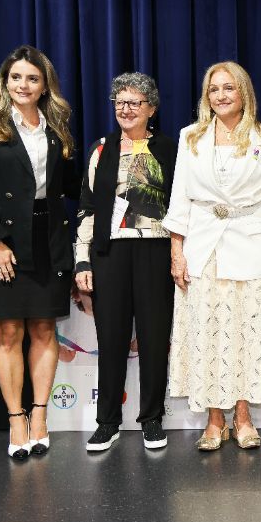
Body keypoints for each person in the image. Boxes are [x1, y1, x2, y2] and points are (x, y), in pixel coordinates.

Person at [164, 61, 261, 451]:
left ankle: (242, 417)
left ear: (244, 93)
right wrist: (176, 251)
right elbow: (179, 198)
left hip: (252, 245)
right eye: (214, 89)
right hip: (202, 247)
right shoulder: (190, 137)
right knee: (206, 334)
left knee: (245, 335)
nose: (220, 95)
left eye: (228, 88)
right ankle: (213, 420)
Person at [0, 44, 80, 459]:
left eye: (32, 78)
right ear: (5, 81)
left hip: (48, 239)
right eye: (16, 77)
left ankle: (40, 416)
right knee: (8, 333)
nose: (23, 85)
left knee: (44, 329)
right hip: (3, 243)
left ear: (45, 85)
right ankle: (16, 419)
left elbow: (71, 186)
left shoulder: (57, 127)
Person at [74, 72, 177, 452]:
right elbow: (87, 209)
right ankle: (107, 422)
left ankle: (152, 420)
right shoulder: (101, 150)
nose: (126, 109)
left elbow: (183, 205)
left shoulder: (169, 149)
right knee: (112, 340)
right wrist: (82, 261)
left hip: (156, 252)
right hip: (110, 254)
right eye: (120, 102)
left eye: (134, 102)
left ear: (152, 108)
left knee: (154, 340)